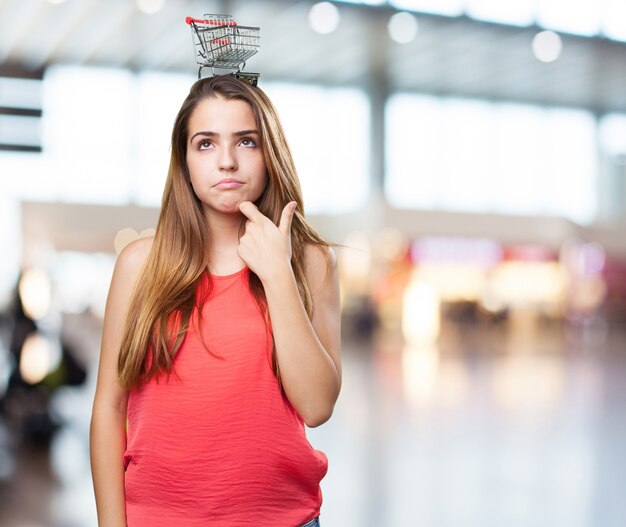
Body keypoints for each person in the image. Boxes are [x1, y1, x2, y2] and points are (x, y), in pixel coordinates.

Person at [89, 74, 342, 527]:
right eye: (205, 144)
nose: (226, 161)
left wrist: (278, 275)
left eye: (246, 141)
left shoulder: (310, 262)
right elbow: (110, 408)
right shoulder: (139, 266)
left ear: (270, 154)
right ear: (183, 160)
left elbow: (318, 406)